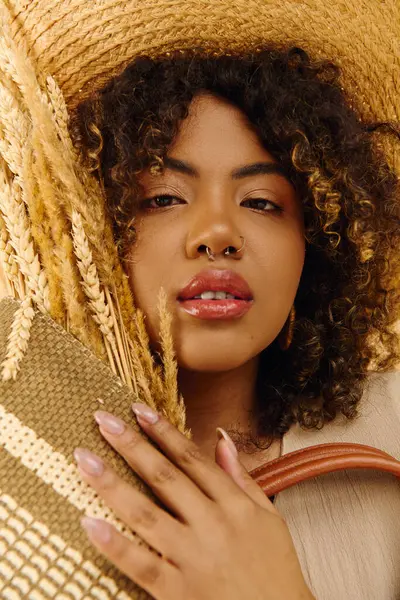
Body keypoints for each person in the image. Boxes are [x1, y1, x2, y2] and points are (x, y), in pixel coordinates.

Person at [0, 2, 399, 599]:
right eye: (163, 197)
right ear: (90, 222)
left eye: (262, 201)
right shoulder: (15, 453)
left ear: (314, 247)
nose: (218, 232)